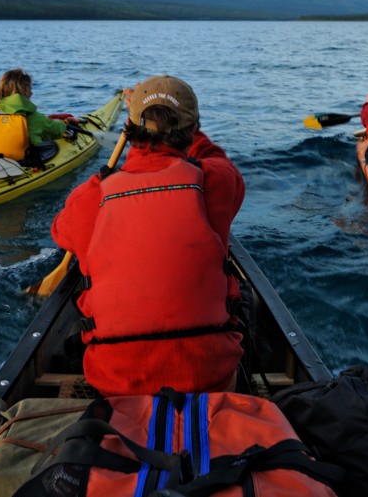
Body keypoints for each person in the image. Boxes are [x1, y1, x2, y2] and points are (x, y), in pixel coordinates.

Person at [50, 75, 246, 397]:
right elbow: (218, 161)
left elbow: (60, 230)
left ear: (129, 128)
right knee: (244, 303)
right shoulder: (218, 181)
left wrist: (102, 181)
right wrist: (185, 129)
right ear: (192, 129)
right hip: (209, 376)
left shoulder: (90, 198)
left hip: (115, 382)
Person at [0, 69, 72, 161]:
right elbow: (57, 131)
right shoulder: (33, 117)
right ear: (25, 91)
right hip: (21, 165)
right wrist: (63, 123)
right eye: (30, 88)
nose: (32, 92)